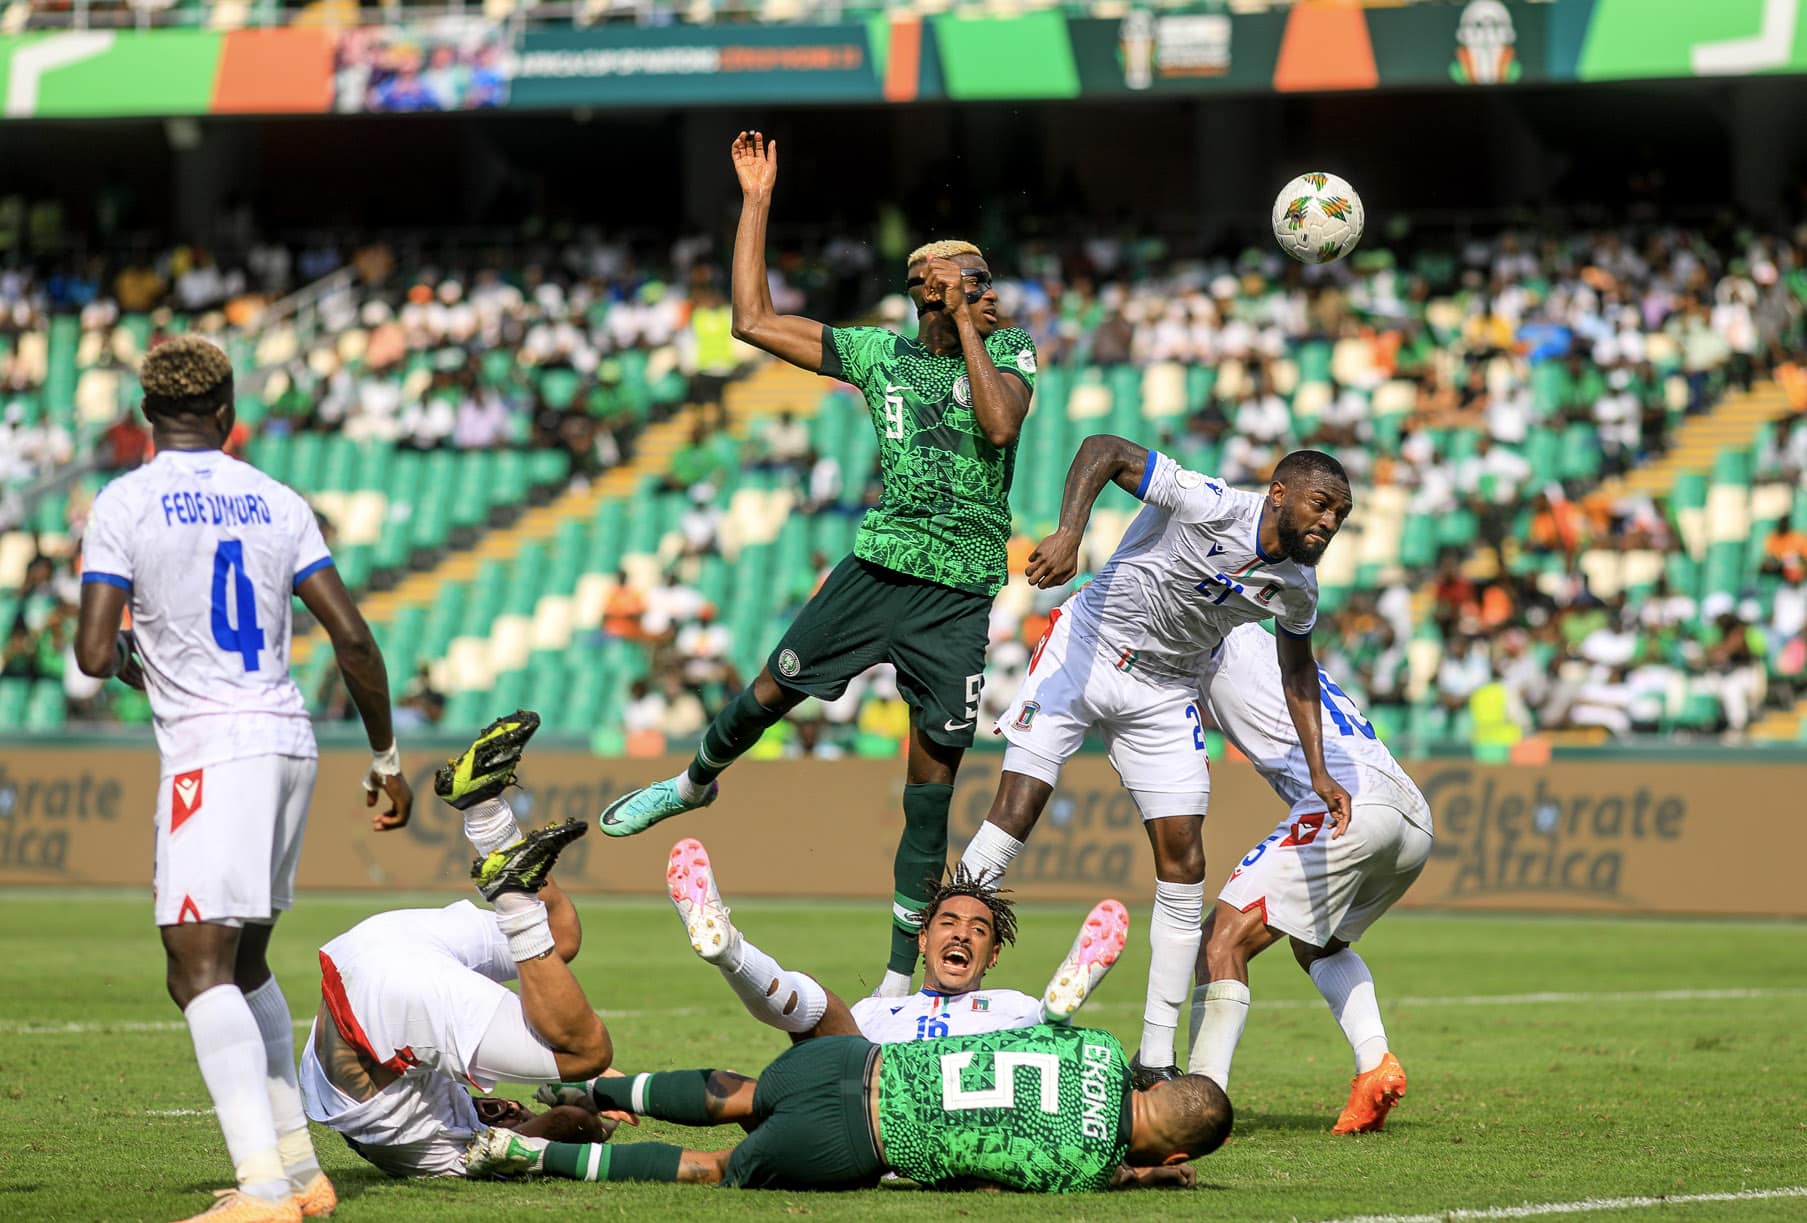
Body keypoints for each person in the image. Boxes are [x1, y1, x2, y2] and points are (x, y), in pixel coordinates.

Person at [601, 131, 1038, 997]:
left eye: (985, 284)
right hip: (876, 570)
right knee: (770, 690)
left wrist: (969, 327)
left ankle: (891, 983)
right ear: (928, 289)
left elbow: (998, 425)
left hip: (958, 596)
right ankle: (693, 783)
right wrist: (757, 202)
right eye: (971, 282)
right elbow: (751, 322)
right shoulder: (880, 355)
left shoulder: (1012, 352)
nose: (989, 294)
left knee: (930, 785)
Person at [74, 335, 413, 1223]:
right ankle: (301, 1174)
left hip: (211, 750)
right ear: (227, 414)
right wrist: (384, 757)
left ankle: (262, 1189)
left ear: (146, 419)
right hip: (288, 738)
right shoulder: (275, 499)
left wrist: (144, 670)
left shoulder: (124, 502)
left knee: (196, 968)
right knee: (246, 960)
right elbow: (351, 638)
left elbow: (92, 649)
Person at [958, 437, 1355, 1086]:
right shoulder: (1210, 503)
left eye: (1339, 514)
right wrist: (1069, 533)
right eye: (1320, 504)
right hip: (1087, 644)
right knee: (1017, 806)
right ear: (1278, 493)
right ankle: (944, 998)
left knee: (1184, 860)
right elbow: (1102, 449)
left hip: (1167, 688)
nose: (1328, 522)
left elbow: (1297, 672)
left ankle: (1155, 1058)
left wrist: (1317, 770)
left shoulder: (1296, 586)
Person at [300, 712, 620, 1177]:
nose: (516, 1112)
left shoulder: (454, 1150)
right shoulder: (449, 1131)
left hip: (383, 994)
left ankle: (494, 836)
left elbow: (570, 1124)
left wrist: (593, 1109)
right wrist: (580, 1103)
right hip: (370, 964)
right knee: (566, 962)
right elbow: (563, 1120)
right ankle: (486, 813)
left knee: (584, 1049)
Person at [467, 1023, 1230, 1193]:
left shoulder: (1097, 1045)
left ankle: (594, 1088)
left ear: (1160, 1083)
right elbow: (991, 1180)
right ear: (1173, 1151)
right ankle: (532, 1153)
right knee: (713, 1169)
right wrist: (1141, 1178)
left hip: (853, 1057)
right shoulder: (1087, 1163)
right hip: (852, 1138)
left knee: (741, 1092)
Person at [1186, 623, 1433, 1133]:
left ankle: (1198, 1105)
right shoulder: (1260, 639)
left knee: (1220, 941)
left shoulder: (1213, 627)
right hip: (1410, 814)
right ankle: (1374, 1065)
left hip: (1348, 804)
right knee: (1317, 946)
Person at [650, 841, 1128, 1045]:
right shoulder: (876, 1013)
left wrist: (1046, 1017)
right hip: (878, 1117)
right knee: (827, 1017)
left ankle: (1060, 1008)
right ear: (922, 940)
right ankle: (726, 948)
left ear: (993, 955)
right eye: (948, 923)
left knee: (1041, 1033)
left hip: (971, 1107)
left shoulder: (1010, 1006)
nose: (962, 933)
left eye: (979, 930)